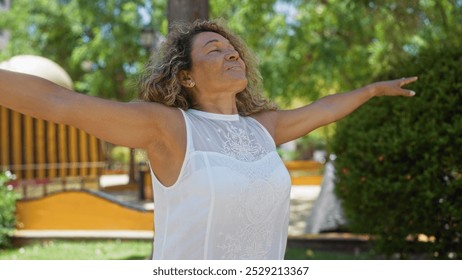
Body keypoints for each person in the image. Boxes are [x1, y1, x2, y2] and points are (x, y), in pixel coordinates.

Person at [0, 19, 417, 260]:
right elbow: (59, 101)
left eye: (232, 49)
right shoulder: (168, 127)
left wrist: (369, 91)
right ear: (185, 75)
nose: (232, 53)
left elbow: (323, 108)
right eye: (215, 50)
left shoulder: (264, 127)